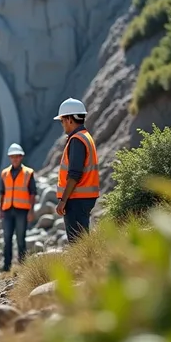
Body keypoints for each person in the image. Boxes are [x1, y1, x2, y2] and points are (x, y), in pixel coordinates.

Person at [54, 98, 100, 243]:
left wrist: (63, 200)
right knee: (83, 240)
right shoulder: (86, 136)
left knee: (78, 243)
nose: (62, 124)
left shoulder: (76, 140)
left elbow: (74, 174)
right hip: (86, 197)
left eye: (62, 121)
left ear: (69, 119)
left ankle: (86, 265)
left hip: (76, 198)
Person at [0, 143, 37, 272]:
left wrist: (31, 211)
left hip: (22, 210)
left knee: (21, 239)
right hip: (8, 210)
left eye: (17, 156)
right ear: (10, 158)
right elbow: (2, 192)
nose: (15, 159)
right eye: (12, 156)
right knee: (7, 239)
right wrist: (1, 210)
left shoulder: (28, 173)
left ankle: (22, 267)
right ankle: (6, 268)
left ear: (21, 157)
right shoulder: (4, 173)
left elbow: (33, 193)